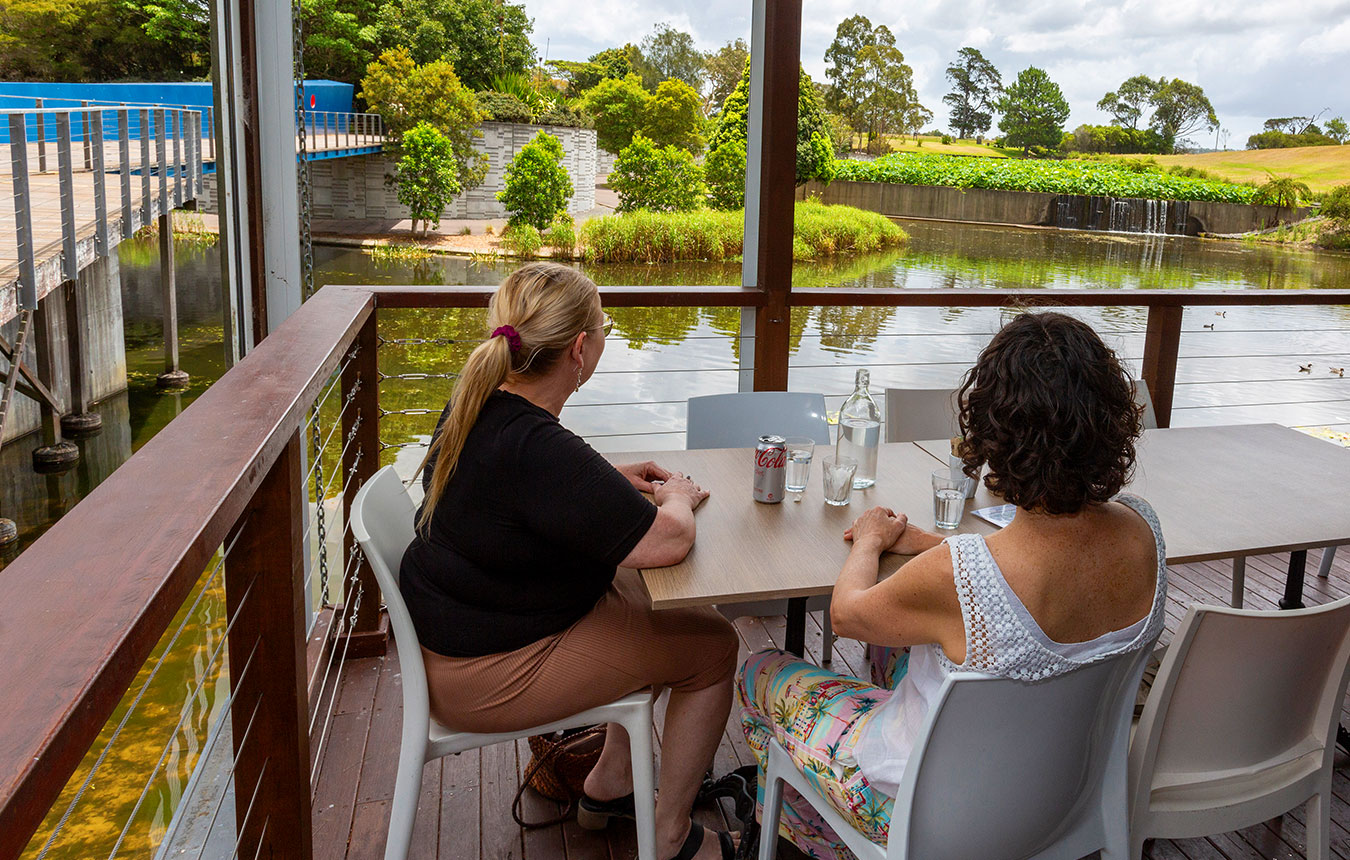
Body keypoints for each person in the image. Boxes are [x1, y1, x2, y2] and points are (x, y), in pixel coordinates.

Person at [737, 311, 1168, 859]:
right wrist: (926, 545)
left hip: (925, 816)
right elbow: (1016, 573)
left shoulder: (960, 574)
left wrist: (871, 539)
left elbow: (846, 614)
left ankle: (822, 838)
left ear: (995, 427)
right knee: (894, 643)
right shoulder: (1142, 531)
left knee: (759, 671)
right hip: (1061, 794)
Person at [400, 262, 739, 860]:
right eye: (604, 326)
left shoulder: (478, 402)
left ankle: (608, 786)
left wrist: (608, 479)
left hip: (475, 629)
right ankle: (671, 838)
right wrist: (678, 497)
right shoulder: (535, 445)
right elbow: (667, 542)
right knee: (712, 646)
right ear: (580, 349)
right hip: (487, 673)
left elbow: (524, 485)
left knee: (660, 601)